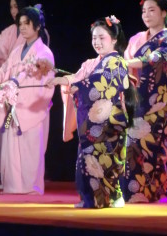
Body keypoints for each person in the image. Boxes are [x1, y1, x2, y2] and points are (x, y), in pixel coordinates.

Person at [46, 15, 137, 208]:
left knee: (108, 160)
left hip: (110, 123)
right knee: (88, 161)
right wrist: (66, 81)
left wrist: (75, 84)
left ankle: (113, 197)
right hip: (92, 123)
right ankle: (91, 198)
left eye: (101, 37)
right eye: (94, 38)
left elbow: (100, 83)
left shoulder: (117, 62)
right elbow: (77, 79)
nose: (96, 42)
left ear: (114, 39)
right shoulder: (90, 63)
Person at [0, 0, 50, 183]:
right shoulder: (12, 37)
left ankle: (29, 183)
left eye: (16, 7)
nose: (13, 12)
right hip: (11, 96)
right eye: (11, 7)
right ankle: (10, 180)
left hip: (30, 99)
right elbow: (0, 61)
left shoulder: (41, 44)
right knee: (9, 142)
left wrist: (16, 81)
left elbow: (38, 68)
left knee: (29, 145)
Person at [122, 0, 167, 203]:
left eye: (152, 10)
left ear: (164, 13)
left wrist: (128, 63)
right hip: (138, 99)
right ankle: (137, 193)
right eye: (143, 11)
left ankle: (154, 193)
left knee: (154, 148)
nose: (146, 15)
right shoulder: (139, 38)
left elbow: (154, 58)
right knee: (133, 146)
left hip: (159, 102)